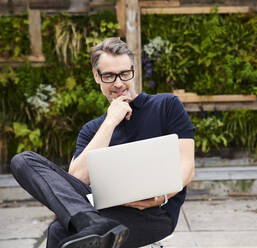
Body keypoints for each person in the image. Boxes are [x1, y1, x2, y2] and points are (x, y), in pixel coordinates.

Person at [10, 37, 195, 248]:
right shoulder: (92, 130)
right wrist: (110, 121)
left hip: (154, 214)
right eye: (109, 76)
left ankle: (93, 224)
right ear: (96, 76)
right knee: (22, 161)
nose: (118, 83)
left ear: (134, 70)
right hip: (102, 212)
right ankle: (91, 222)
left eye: (125, 74)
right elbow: (76, 181)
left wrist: (161, 196)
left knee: (59, 230)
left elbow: (187, 167)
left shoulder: (166, 106)